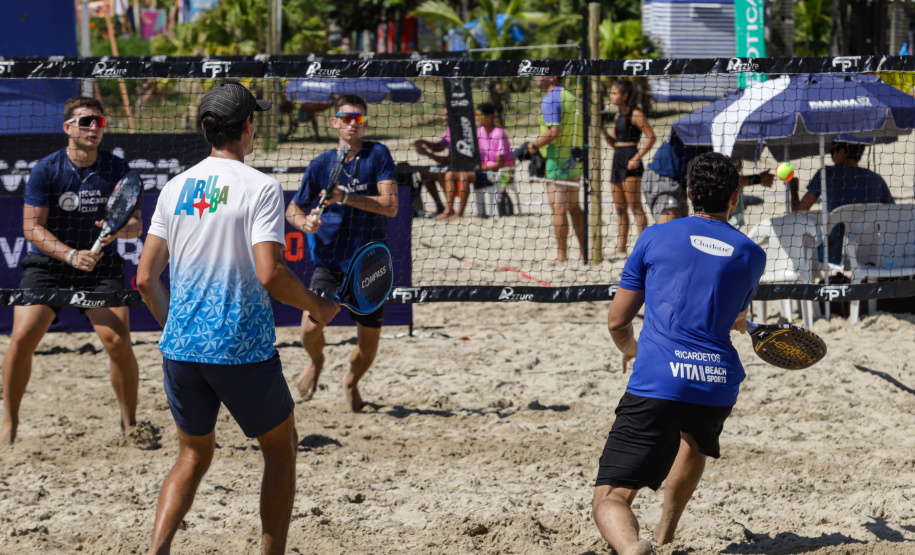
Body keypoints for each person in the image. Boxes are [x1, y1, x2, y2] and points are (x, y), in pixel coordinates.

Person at [136, 81, 340, 554]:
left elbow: (146, 279)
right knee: (281, 448)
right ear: (248, 126)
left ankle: (157, 551)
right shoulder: (262, 187)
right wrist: (317, 305)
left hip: (181, 350)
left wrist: (177, 329)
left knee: (191, 454)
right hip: (239, 347)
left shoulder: (174, 187)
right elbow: (271, 274)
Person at [593, 152, 766, 554]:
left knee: (610, 498)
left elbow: (617, 322)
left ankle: (636, 548)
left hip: (661, 378)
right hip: (718, 383)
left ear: (688, 193)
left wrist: (632, 349)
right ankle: (665, 537)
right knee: (692, 442)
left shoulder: (654, 236)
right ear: (735, 198)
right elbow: (734, 314)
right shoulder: (751, 254)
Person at [1, 97, 141, 444]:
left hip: (99, 265)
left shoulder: (117, 170)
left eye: (100, 122)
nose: (94, 127)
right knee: (21, 338)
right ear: (68, 128)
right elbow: (32, 229)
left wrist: (118, 229)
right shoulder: (47, 169)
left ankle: (130, 424)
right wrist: (70, 255)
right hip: (51, 264)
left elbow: (135, 226)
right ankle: (9, 422)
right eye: (86, 121)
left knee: (117, 342)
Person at [286, 94, 398, 413]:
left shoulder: (378, 155)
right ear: (335, 122)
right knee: (309, 328)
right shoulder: (322, 163)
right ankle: (317, 362)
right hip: (331, 260)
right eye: (347, 118)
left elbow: (391, 206)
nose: (352, 124)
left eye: (358, 119)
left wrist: (346, 197)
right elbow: (292, 208)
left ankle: (351, 381)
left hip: (369, 262)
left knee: (369, 345)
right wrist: (304, 223)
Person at [790, 141, 894, 262]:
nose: (830, 153)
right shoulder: (876, 179)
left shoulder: (825, 175)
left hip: (835, 255)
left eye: (832, 150)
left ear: (842, 151)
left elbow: (798, 213)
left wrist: (793, 189)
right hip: (871, 252)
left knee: (804, 233)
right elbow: (894, 218)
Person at [529, 74, 585, 265]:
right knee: (574, 206)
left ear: (551, 76)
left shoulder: (550, 98)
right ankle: (584, 252)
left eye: (540, 72)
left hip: (557, 161)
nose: (536, 76)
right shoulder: (571, 96)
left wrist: (532, 146)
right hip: (574, 160)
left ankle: (562, 256)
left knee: (559, 209)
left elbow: (554, 131)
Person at [603, 80, 656, 255]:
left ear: (625, 95)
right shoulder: (618, 117)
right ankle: (621, 248)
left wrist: (637, 157)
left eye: (614, 93)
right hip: (617, 160)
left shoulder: (636, 114)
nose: (611, 96)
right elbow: (614, 143)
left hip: (631, 160)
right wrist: (603, 131)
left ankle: (642, 248)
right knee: (620, 209)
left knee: (636, 207)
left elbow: (651, 137)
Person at [440, 102, 513, 221]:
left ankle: (460, 212)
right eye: (476, 116)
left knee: (464, 175)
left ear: (489, 117)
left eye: (480, 116)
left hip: (500, 174)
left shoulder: (499, 133)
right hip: (483, 172)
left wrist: (479, 167)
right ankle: (448, 209)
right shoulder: (479, 132)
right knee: (450, 174)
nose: (477, 119)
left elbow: (498, 164)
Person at [413, 108, 449, 217]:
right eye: (443, 115)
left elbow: (450, 160)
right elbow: (439, 147)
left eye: (446, 115)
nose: (444, 118)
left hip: (459, 168)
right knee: (425, 173)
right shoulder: (450, 130)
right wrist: (423, 142)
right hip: (450, 166)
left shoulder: (459, 130)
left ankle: (448, 209)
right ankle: (440, 207)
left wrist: (427, 153)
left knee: (443, 172)